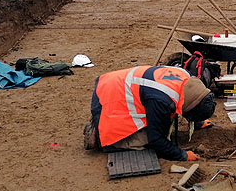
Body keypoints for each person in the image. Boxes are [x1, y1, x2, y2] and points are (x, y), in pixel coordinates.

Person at [83, 65, 216, 161]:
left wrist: (198, 122)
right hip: (108, 101)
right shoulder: (161, 100)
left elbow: (190, 99)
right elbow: (157, 140)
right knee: (145, 139)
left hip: (112, 83)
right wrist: (182, 155)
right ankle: (98, 134)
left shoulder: (186, 76)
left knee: (161, 120)